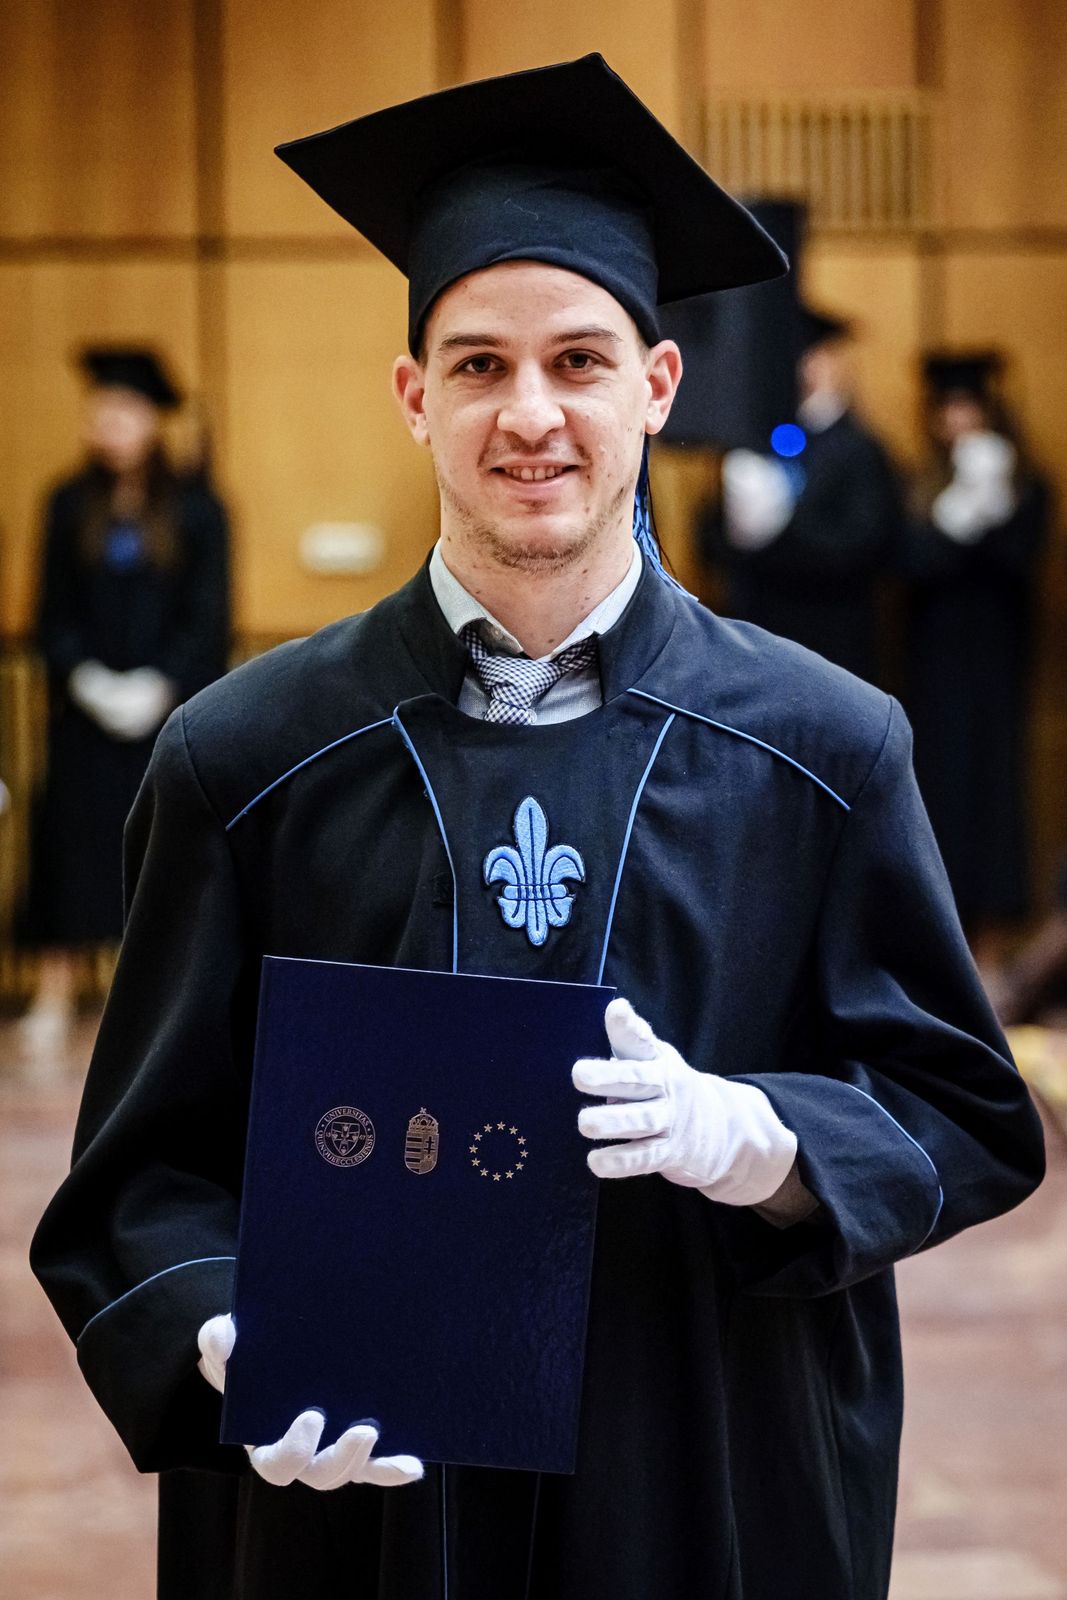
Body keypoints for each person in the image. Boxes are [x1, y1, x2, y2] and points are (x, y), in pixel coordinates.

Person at [30, 56, 1043, 1600]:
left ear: (656, 385)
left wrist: (768, 1140)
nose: (529, 414)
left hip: (703, 1467)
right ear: (412, 394)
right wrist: (216, 1329)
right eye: (478, 363)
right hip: (357, 1498)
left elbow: (960, 1111)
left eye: (577, 360)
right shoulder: (245, 758)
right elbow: (142, 1172)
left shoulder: (824, 750)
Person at [18, 349, 231, 1059]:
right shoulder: (66, 503)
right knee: (68, 847)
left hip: (165, 718)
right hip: (83, 718)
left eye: (121, 409)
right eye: (98, 409)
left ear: (152, 419)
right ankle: (54, 994)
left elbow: (208, 617)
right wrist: (86, 679)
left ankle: (151, 1003)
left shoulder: (199, 509)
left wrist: (160, 686)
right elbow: (51, 614)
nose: (106, 422)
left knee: (161, 849)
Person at [902, 351, 1051, 961]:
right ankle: (946, 941)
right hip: (935, 663)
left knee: (993, 793)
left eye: (968, 406)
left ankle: (991, 943)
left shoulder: (1027, 484)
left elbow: (1020, 562)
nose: (958, 419)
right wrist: (960, 509)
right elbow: (912, 564)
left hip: (996, 661)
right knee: (941, 790)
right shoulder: (920, 484)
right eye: (948, 408)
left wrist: (994, 504)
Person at [700, 306, 900, 684]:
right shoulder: (754, 440)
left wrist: (780, 530)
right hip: (757, 634)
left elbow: (868, 543)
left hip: (829, 638)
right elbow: (711, 536)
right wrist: (739, 531)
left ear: (830, 362)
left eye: (810, 355)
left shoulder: (860, 449)